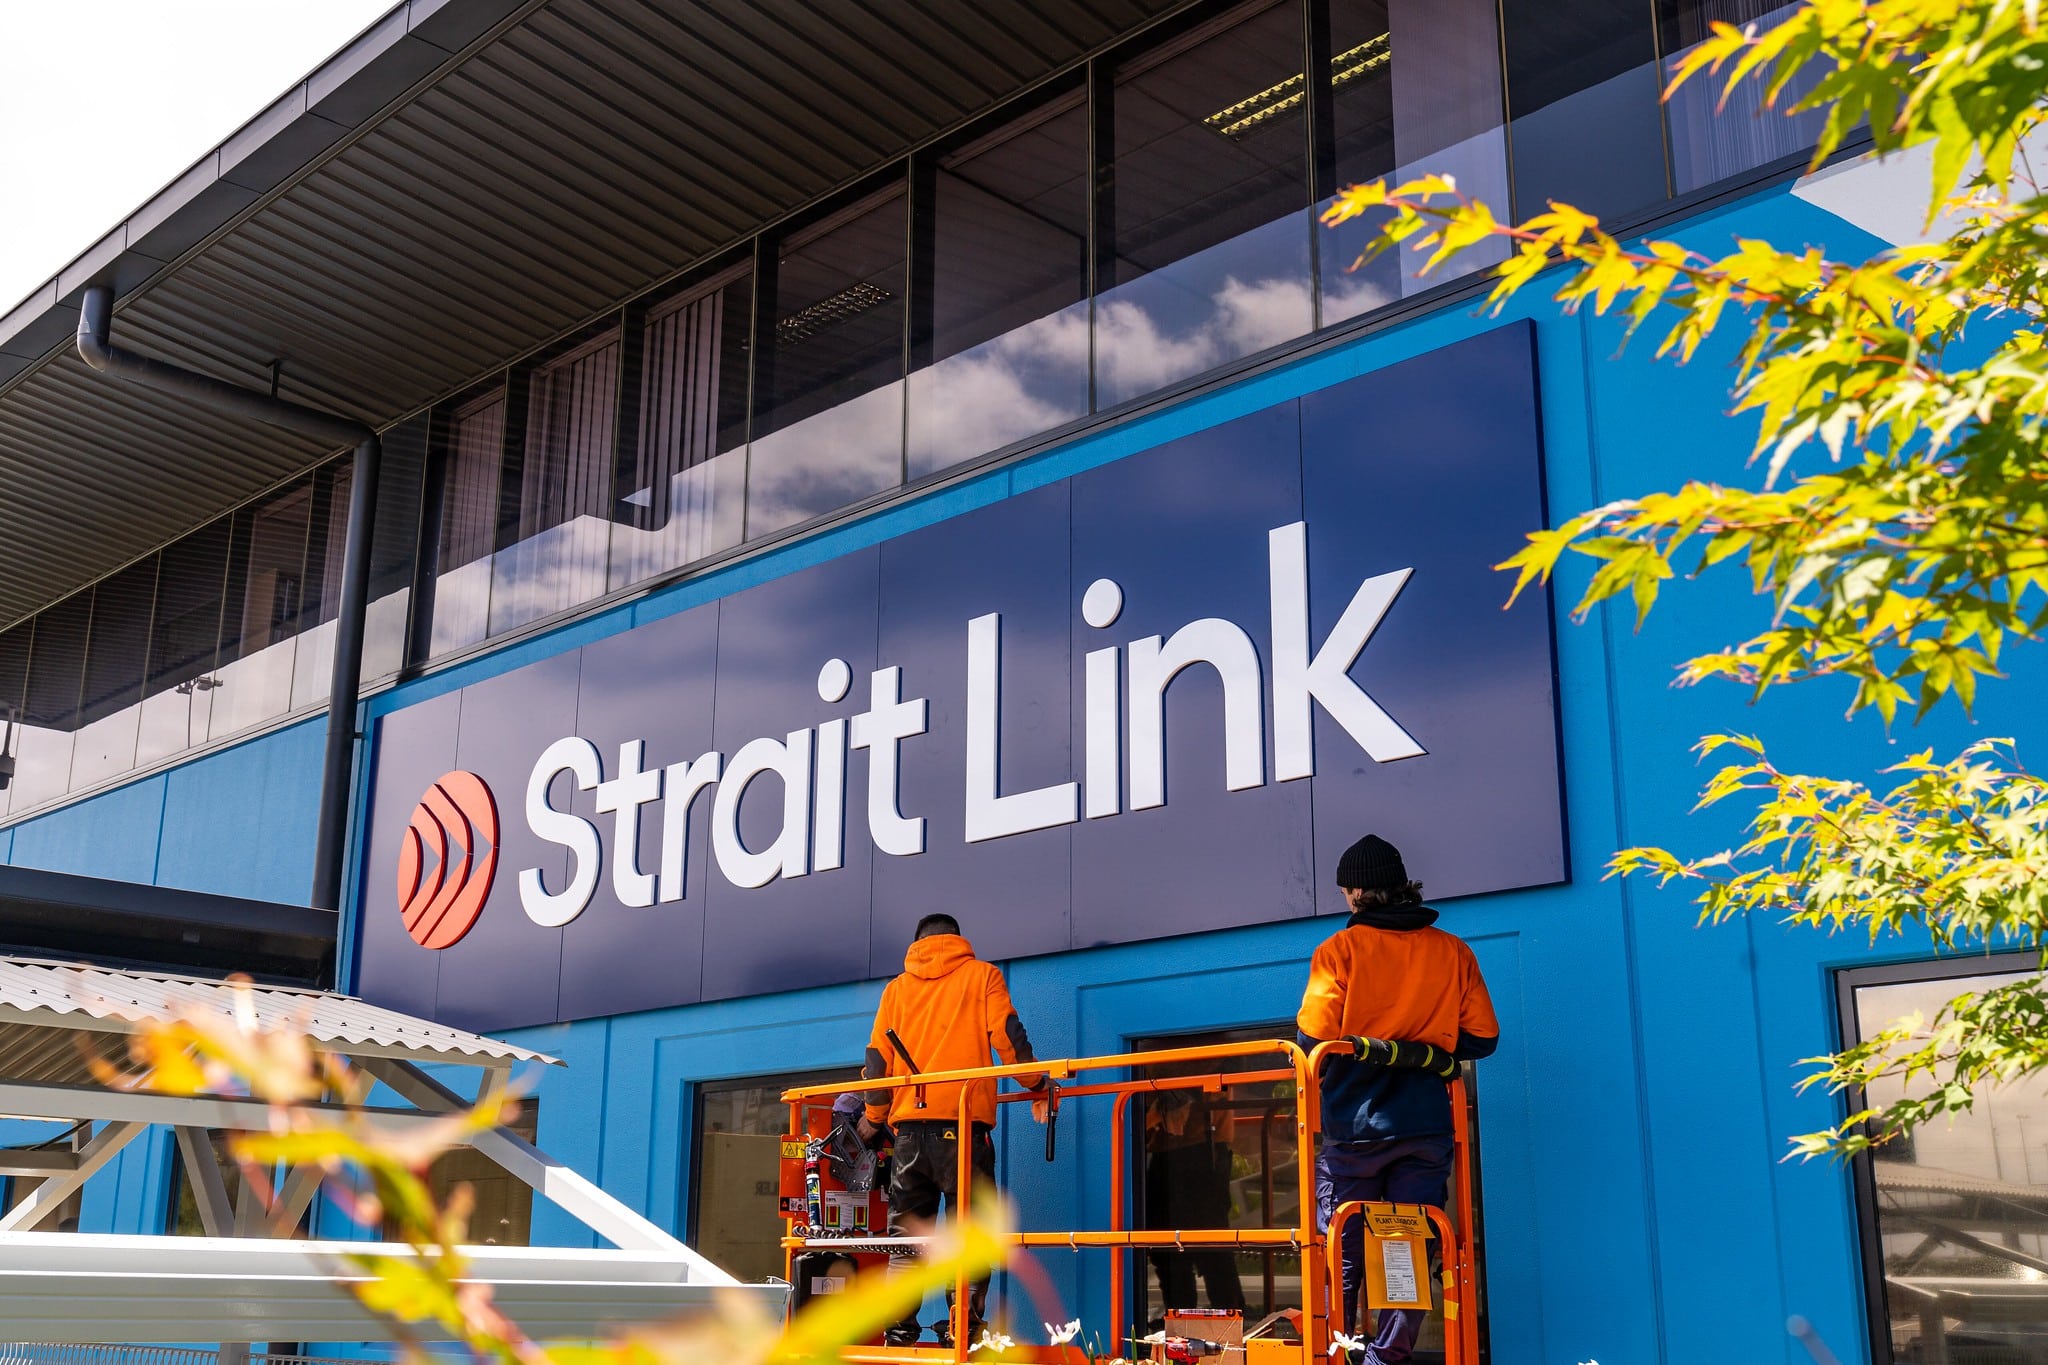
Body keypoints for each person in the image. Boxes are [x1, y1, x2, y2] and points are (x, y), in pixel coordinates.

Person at [1296, 834, 1498, 1365]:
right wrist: (1422, 1045)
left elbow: (1312, 1042)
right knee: (1407, 1246)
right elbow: (1482, 1040)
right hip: (1427, 1125)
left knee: (1339, 1247)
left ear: (1357, 892)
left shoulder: (1339, 952)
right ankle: (1386, 1360)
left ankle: (1329, 1354)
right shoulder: (1452, 951)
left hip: (1354, 1130)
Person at [858, 912, 1054, 1347]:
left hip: (908, 1130)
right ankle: (962, 1331)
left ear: (918, 943)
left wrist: (873, 1120)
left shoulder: (896, 989)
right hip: (964, 1129)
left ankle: (898, 1334)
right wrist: (1039, 1085)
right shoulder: (982, 976)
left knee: (907, 1240)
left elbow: (876, 1060)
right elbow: (1008, 1038)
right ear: (957, 939)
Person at [1143, 1089, 1248, 1321]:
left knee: (1201, 1247)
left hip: (1196, 1145)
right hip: (1183, 1145)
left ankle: (1221, 1322)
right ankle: (1187, 1320)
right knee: (1179, 1249)